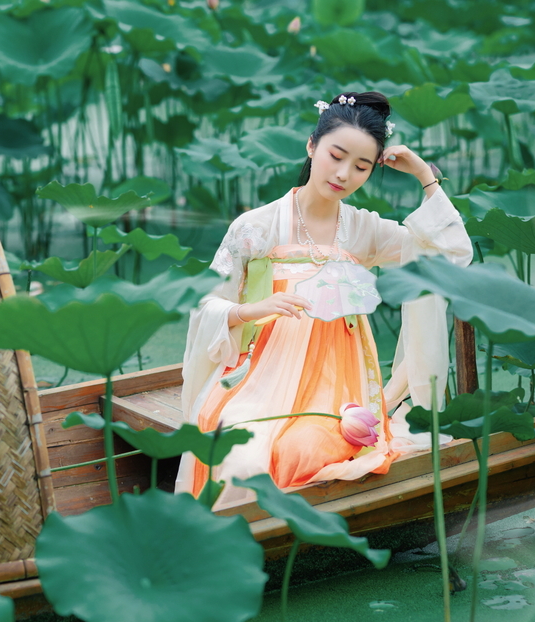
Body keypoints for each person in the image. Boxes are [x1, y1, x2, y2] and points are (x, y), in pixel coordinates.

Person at [175, 91, 473, 509]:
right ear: (312, 146)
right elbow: (205, 306)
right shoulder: (255, 227)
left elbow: (447, 254)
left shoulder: (362, 229)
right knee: (243, 457)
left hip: (338, 390)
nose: (344, 173)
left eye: (362, 166)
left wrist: (425, 176)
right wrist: (250, 310)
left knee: (309, 452)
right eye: (336, 155)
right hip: (257, 382)